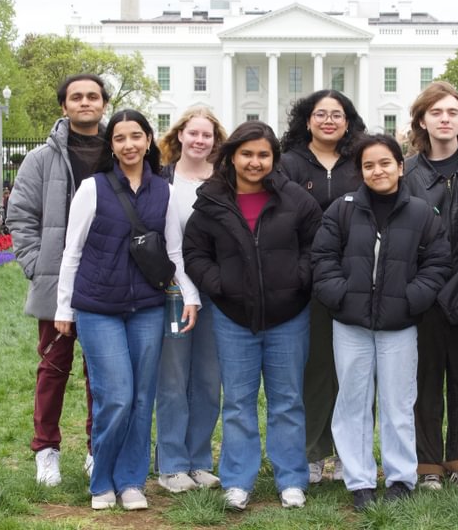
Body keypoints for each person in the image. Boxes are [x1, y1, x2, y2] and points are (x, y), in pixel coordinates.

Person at [55, 109, 199, 511]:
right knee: (116, 395)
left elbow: (172, 252)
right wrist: (63, 308)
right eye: (120, 138)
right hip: (98, 307)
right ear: (112, 146)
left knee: (141, 397)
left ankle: (132, 481)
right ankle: (102, 479)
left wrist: (189, 295)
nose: (129, 145)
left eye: (136, 136)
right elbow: (72, 252)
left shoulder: (163, 191)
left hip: (147, 307)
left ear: (149, 140)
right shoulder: (93, 188)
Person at [183, 121, 321, 511]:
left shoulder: (295, 199)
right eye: (247, 154)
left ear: (274, 158)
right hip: (233, 317)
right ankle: (238, 480)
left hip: (288, 316)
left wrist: (299, 279)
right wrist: (219, 283)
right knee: (239, 402)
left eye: (263, 155)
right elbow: (194, 251)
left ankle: (291, 479)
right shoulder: (211, 200)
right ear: (232, 156)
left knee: (288, 400)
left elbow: (317, 244)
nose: (254, 162)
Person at [312, 133, 452, 511]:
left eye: (385, 163)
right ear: (361, 171)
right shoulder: (342, 210)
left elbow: (438, 263)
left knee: (397, 403)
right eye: (369, 165)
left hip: (400, 325)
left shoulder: (422, 213)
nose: (378, 171)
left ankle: (401, 478)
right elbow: (322, 258)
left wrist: (412, 299)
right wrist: (340, 296)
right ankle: (358, 480)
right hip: (351, 324)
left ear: (400, 166)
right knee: (353, 401)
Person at [6, 73, 110, 487]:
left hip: (107, 280)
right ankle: (45, 449)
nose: (85, 102)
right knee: (53, 366)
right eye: (76, 97)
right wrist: (37, 265)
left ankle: (94, 448)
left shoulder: (118, 150)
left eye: (93, 96)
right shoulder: (40, 159)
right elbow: (21, 217)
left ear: (104, 104)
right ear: (64, 106)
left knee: (102, 371)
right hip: (56, 280)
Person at [403, 81, 458, 491]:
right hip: (423, 291)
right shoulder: (406, 172)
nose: (444, 119)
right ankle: (427, 466)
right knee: (423, 379)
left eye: (452, 112)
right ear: (422, 119)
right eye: (436, 112)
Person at [280, 89, 367, 484]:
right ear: (307, 120)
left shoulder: (360, 162)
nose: (329, 120)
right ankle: (313, 452)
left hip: (360, 279)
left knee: (357, 372)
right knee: (315, 370)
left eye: (337, 114)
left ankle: (352, 453)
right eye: (320, 114)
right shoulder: (288, 163)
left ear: (348, 121)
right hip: (308, 281)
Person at [154, 107, 228, 494]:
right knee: (173, 378)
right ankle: (171, 464)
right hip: (174, 292)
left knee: (207, 379)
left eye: (207, 135)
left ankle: (199, 460)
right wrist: (187, 292)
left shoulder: (224, 181)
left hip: (216, 293)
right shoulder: (162, 180)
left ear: (216, 141)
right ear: (179, 135)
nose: (200, 141)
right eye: (193, 133)